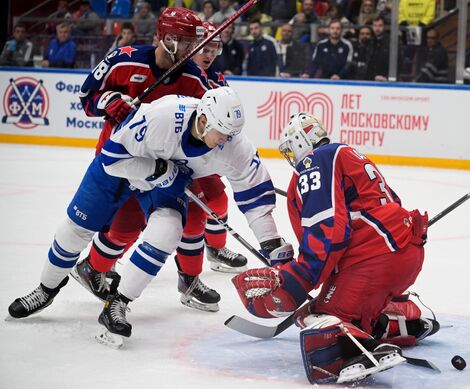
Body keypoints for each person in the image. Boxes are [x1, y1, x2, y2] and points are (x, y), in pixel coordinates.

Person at [8, 88, 292, 344]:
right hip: (120, 171)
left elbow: (255, 194)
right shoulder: (164, 116)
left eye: (231, 135)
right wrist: (158, 170)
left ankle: (117, 304)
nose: (226, 141)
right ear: (204, 121)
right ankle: (46, 290)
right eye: (222, 134)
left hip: (165, 182)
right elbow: (112, 159)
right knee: (75, 230)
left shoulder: (234, 144)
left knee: (168, 230)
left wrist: (270, 242)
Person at [233, 112, 437, 384]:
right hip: (404, 254)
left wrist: (298, 278)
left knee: (316, 315)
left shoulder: (315, 160)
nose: (293, 157)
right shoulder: (349, 155)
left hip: (374, 260)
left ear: (299, 141)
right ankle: (406, 318)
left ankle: (355, 353)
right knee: (344, 307)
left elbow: (329, 229)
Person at [73, 8, 216, 306]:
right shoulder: (123, 59)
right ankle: (91, 268)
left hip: (167, 162)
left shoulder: (194, 76)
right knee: (126, 224)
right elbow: (87, 99)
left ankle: (189, 280)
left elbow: (214, 112)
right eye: (186, 42)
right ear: (166, 39)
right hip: (121, 157)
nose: (194, 49)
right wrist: (109, 102)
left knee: (196, 215)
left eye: (194, 42)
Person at [174, 22, 248, 312]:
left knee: (217, 199)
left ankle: (215, 250)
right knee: (188, 217)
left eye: (215, 47)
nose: (210, 53)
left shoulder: (216, 77)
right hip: (171, 154)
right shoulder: (177, 72)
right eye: (205, 47)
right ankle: (188, 279)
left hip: (202, 155)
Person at [369, 17, 390, 81]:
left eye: (380, 26)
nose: (377, 28)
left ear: (385, 27)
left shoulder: (391, 42)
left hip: (386, 79)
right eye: (375, 26)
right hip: (371, 79)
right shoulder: (371, 41)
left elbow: (398, 62)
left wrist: (387, 77)